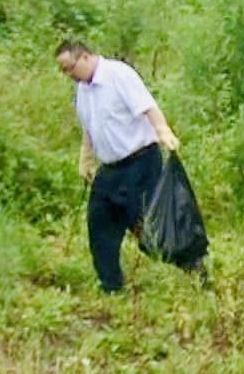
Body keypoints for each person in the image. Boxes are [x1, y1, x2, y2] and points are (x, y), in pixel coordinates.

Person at [55, 40, 185, 294]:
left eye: (70, 68)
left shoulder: (118, 75)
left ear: (85, 57)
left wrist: (163, 131)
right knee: (100, 221)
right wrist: (86, 158)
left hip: (140, 162)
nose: (68, 75)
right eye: (63, 71)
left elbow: (148, 106)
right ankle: (111, 287)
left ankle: (193, 265)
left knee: (148, 228)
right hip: (110, 169)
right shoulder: (82, 88)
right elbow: (89, 126)